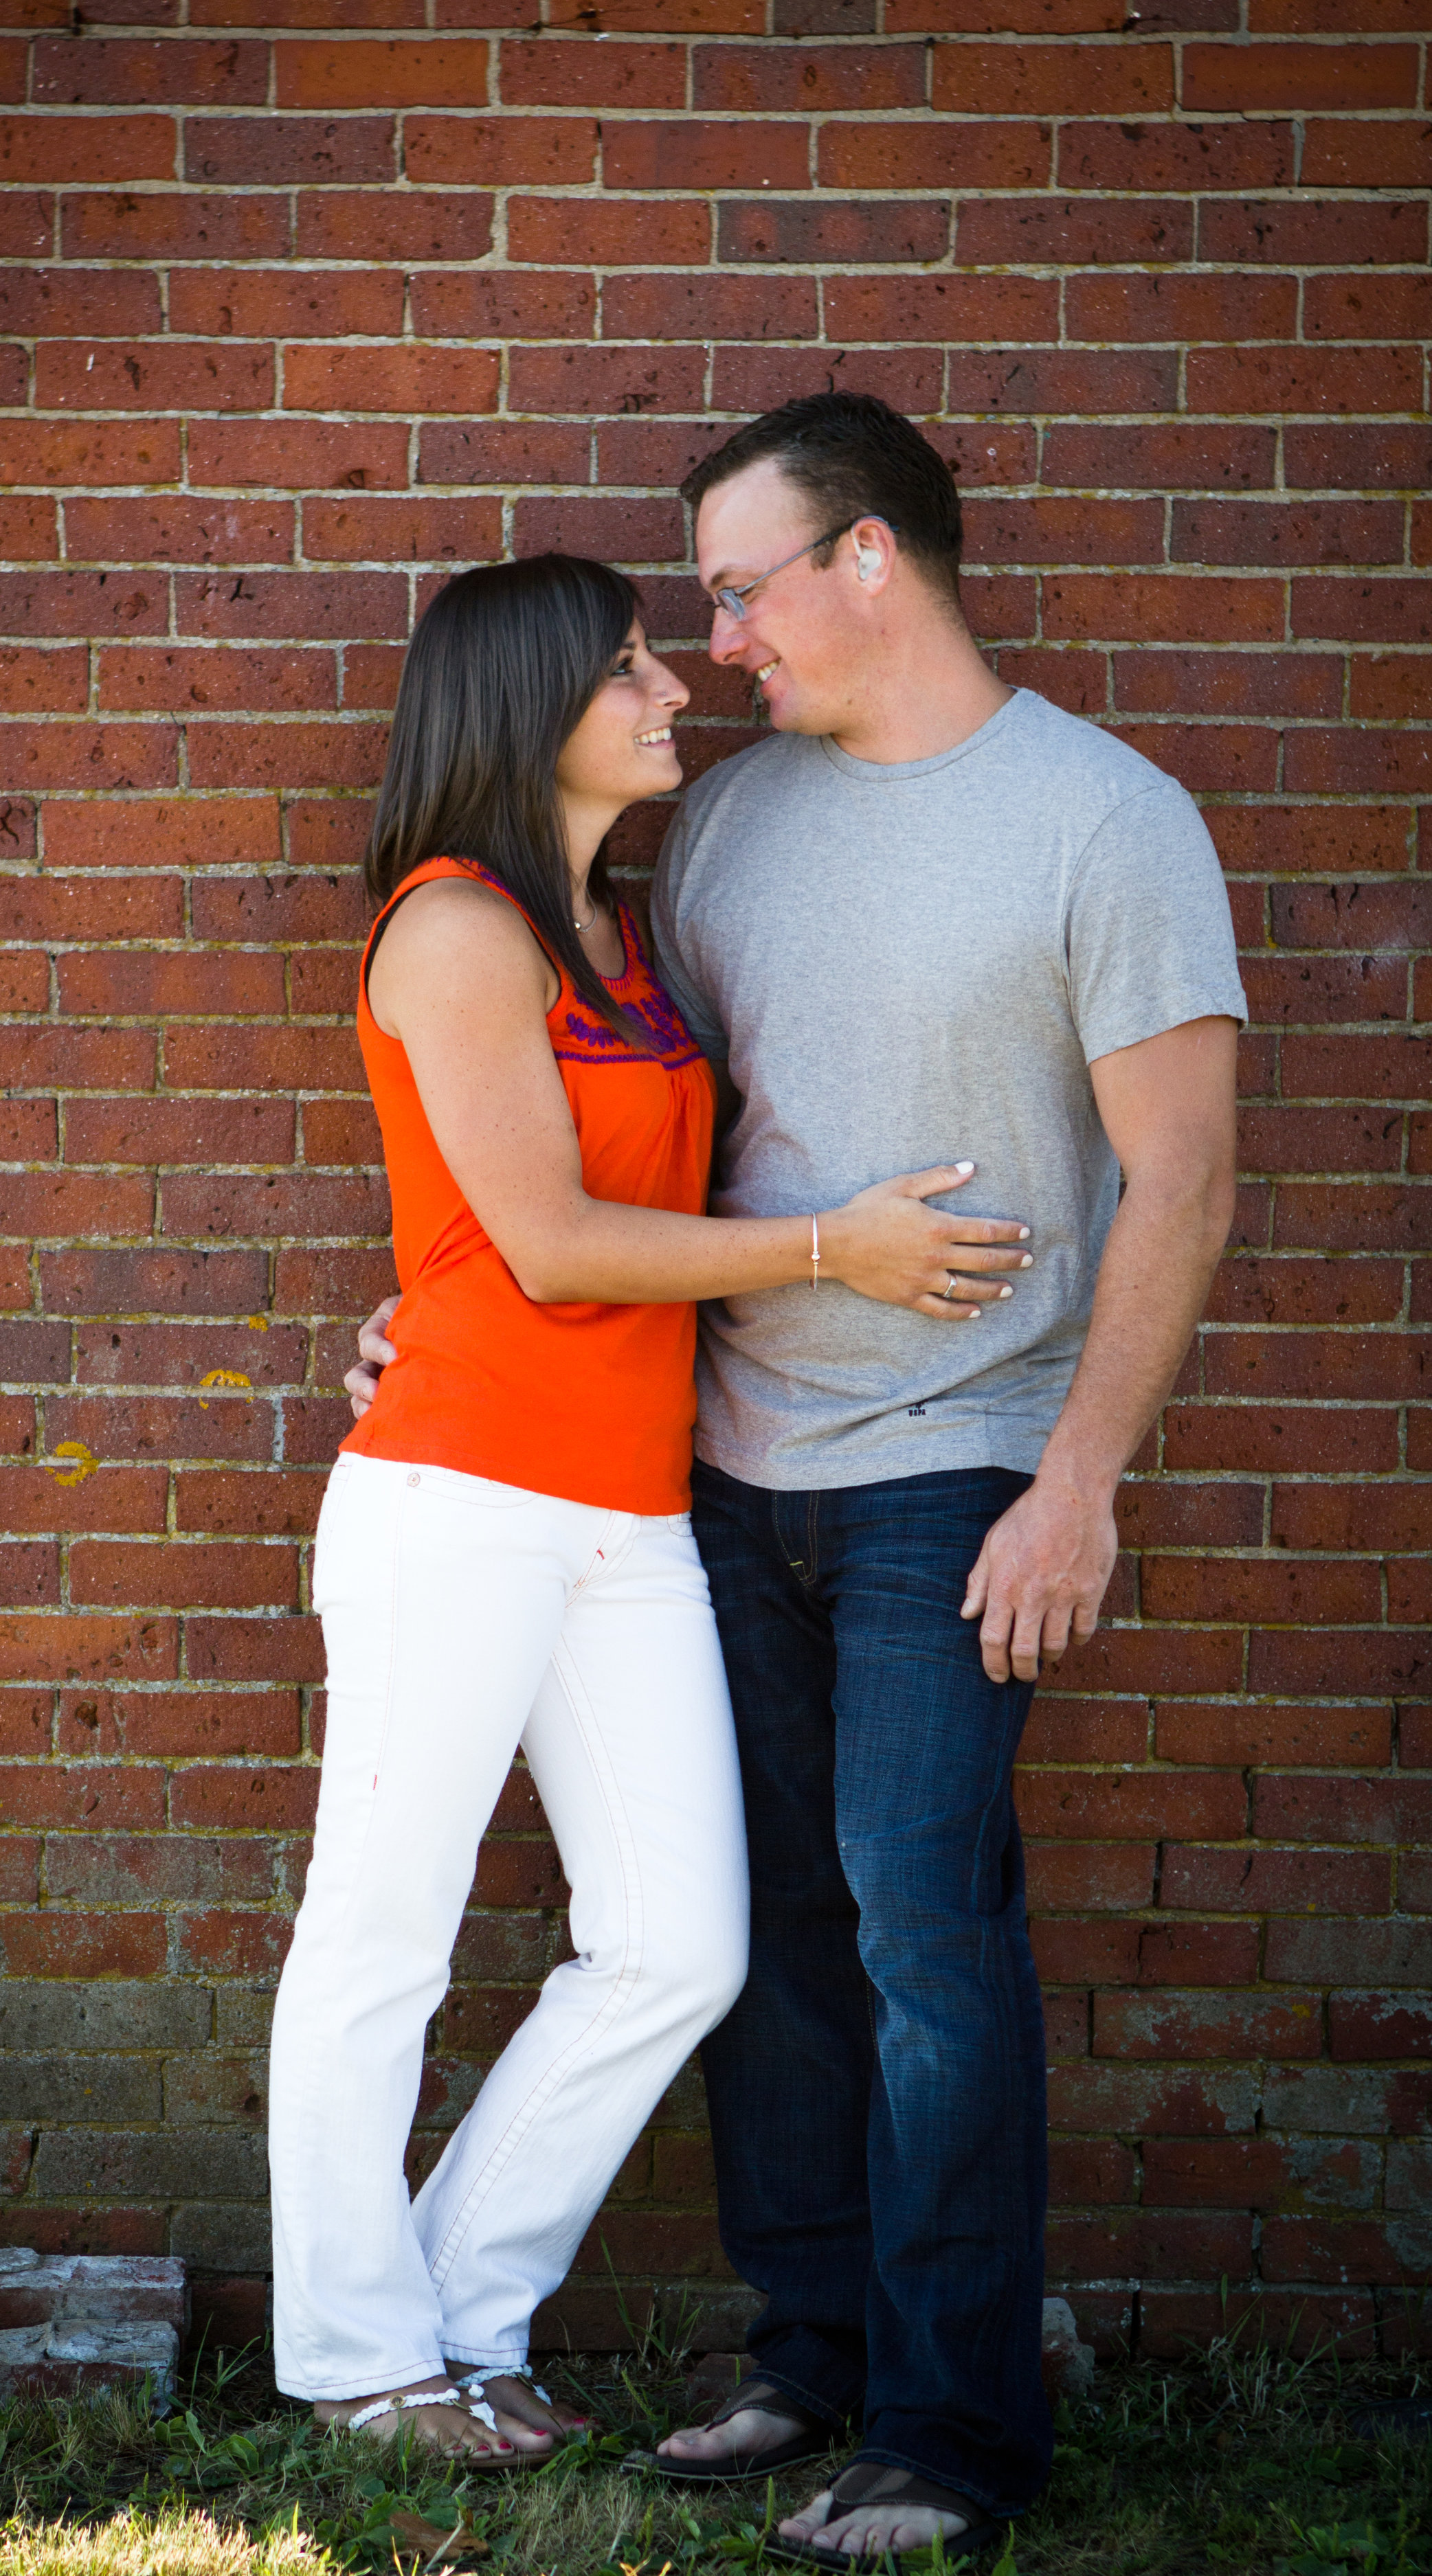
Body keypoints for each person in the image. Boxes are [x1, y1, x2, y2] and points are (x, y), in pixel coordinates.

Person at [346, 398, 1246, 2559]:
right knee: (771, 1947)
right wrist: (434, 1306)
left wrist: (1080, 1480)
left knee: (928, 1930)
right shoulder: (731, 828)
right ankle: (808, 2358)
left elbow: (1185, 1183)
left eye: (739, 591)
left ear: (868, 560)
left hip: (957, 1471)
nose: (718, 641)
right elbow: (618, 1155)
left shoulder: (1100, 822)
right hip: (720, 1473)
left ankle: (946, 2434)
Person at [269, 549, 1036, 2470]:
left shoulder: (619, 933)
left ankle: (457, 2310)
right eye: (626, 672)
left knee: (679, 1946)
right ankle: (358, 2362)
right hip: (454, 1497)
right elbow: (537, 1239)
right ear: (527, 708)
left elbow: (530, 1224)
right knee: (385, 1927)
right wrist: (831, 1253)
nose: (671, 691)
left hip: (625, 1517)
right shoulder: (452, 925)